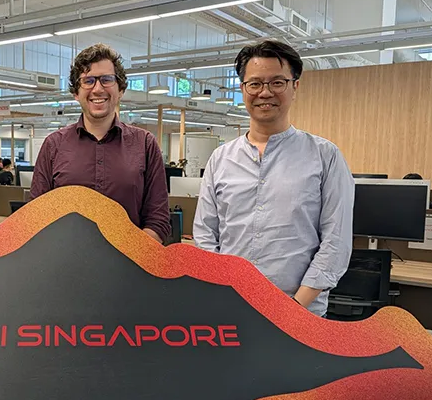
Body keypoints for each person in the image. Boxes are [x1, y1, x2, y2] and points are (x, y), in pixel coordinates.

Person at [192, 40, 355, 317]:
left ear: (295, 86)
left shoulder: (324, 156)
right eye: (255, 84)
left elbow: (336, 241)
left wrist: (293, 308)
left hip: (300, 313)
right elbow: (205, 235)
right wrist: (221, 294)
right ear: (243, 89)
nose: (265, 93)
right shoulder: (220, 159)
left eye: (277, 83)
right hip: (230, 308)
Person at [30, 43, 171, 243]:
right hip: (65, 260)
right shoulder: (54, 145)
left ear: (120, 89)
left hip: (128, 261)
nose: (97, 89)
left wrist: (131, 254)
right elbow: (35, 216)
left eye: (107, 79)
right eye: (88, 81)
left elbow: (158, 220)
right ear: (76, 93)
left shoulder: (145, 144)